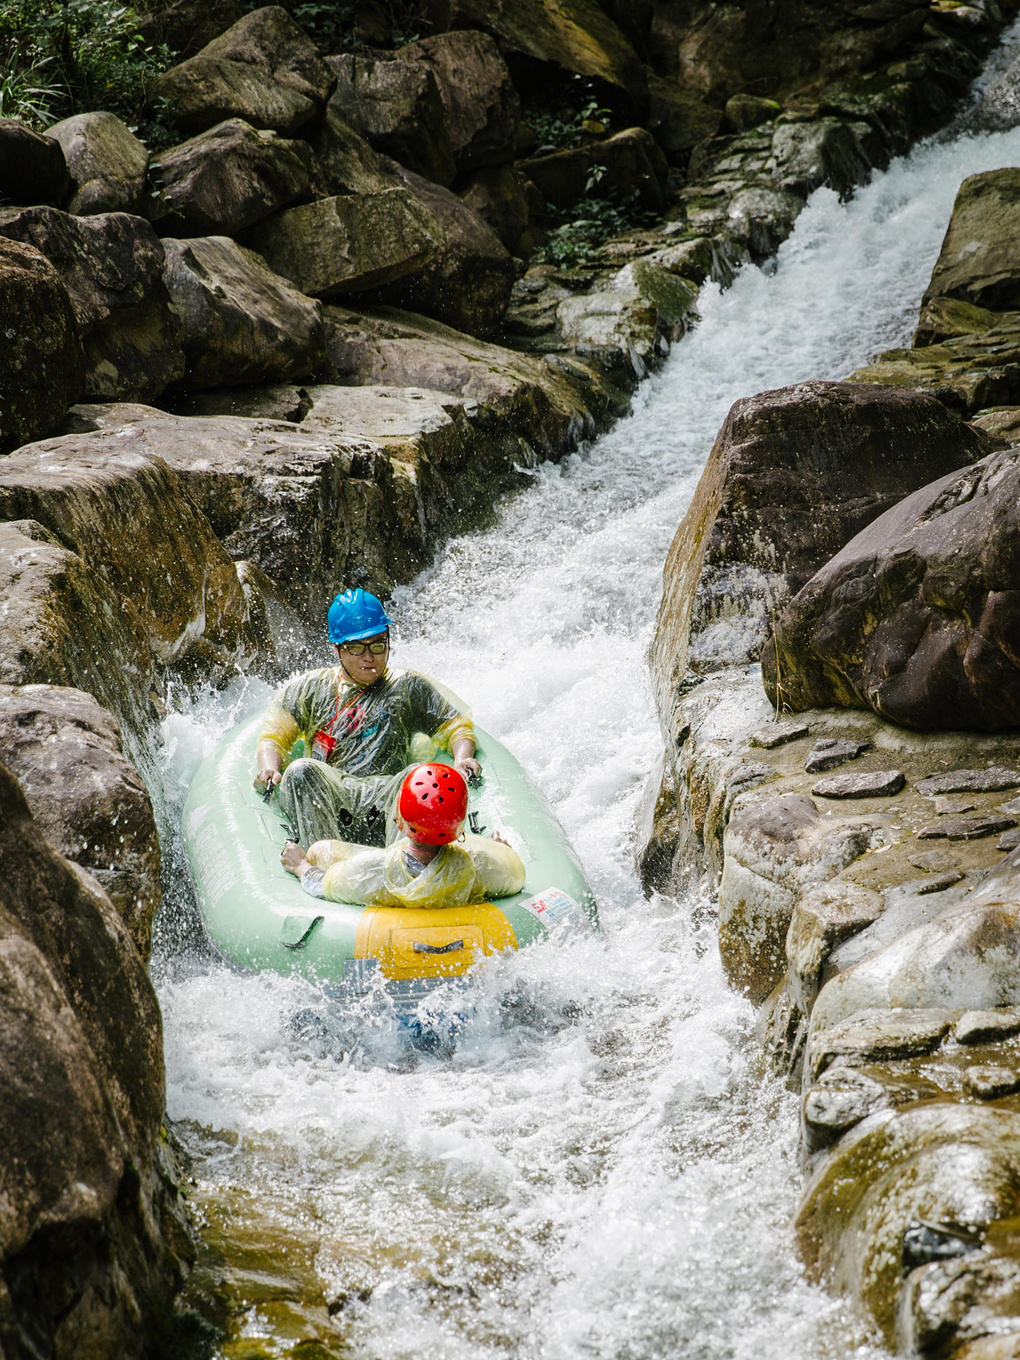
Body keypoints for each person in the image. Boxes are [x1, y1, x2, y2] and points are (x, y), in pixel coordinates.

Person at [255, 588, 480, 848]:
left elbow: (456, 727)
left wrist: (463, 757)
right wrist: (269, 767)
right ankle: (322, 863)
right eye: (356, 648)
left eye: (377, 644)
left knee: (419, 776)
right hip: (332, 794)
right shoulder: (310, 687)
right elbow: (273, 738)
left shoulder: (407, 685)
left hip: (387, 795)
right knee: (301, 771)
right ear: (337, 648)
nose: (369, 656)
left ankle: (406, 866)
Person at [280, 763, 526, 909]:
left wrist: (301, 866)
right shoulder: (482, 865)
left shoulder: (371, 870)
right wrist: (503, 851)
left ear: (398, 821)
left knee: (323, 850)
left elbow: (322, 885)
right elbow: (514, 874)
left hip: (377, 915)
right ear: (460, 827)